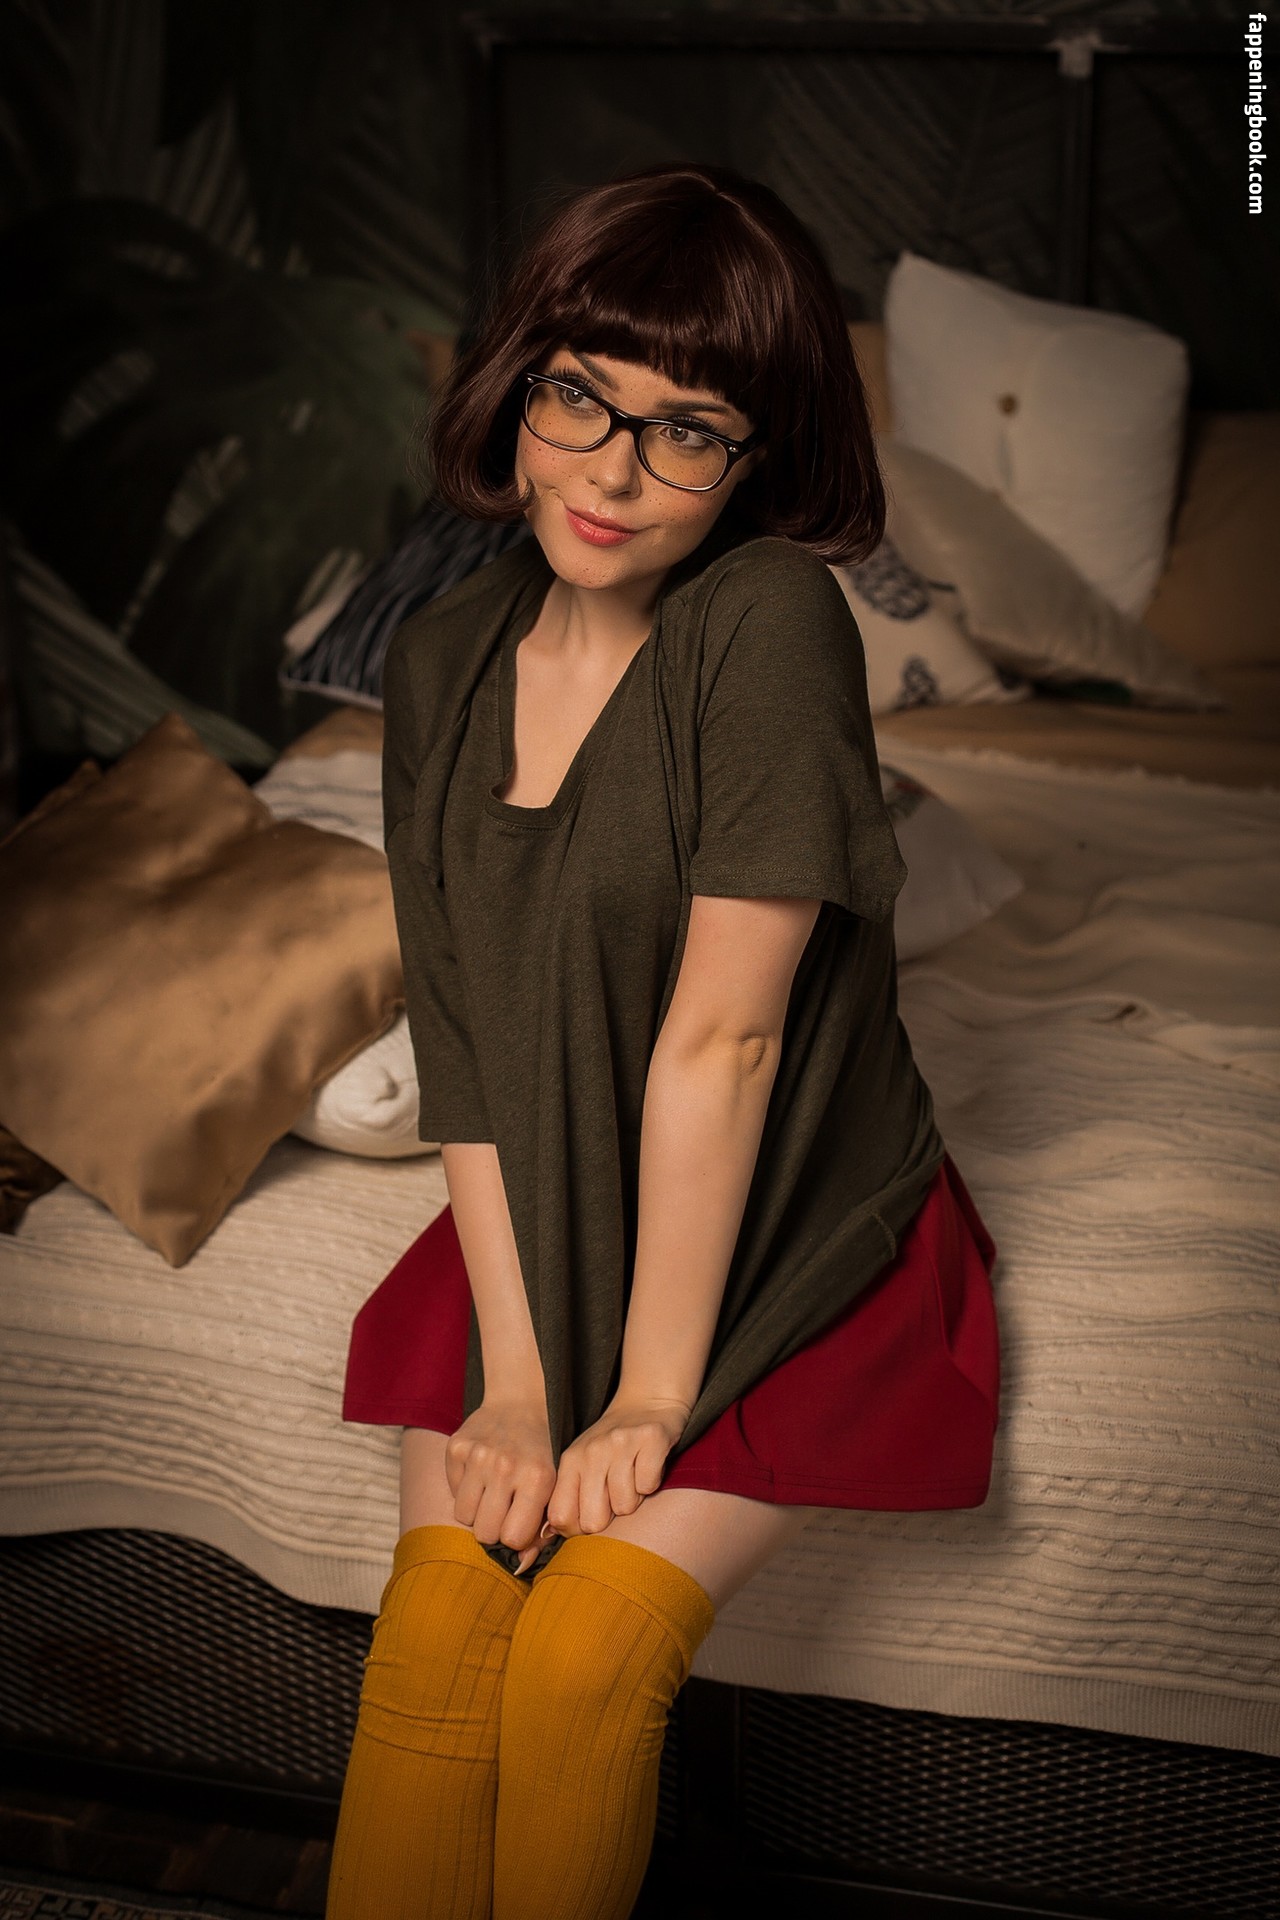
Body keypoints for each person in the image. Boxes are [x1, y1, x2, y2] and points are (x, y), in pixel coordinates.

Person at [326, 162, 1001, 1920]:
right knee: (441, 1637)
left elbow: (726, 1047)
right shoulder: (442, 658)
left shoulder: (765, 622)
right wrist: (522, 1375)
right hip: (544, 1203)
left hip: (775, 1222)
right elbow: (459, 1026)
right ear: (520, 386)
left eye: (686, 430)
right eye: (581, 398)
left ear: (758, 455)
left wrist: (642, 1396)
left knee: (578, 1660)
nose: (613, 472)